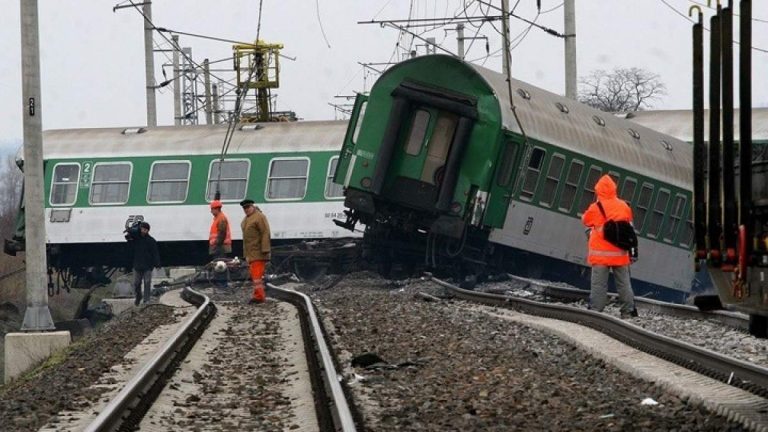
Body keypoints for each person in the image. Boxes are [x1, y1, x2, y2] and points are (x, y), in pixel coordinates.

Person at [581, 174, 638, 318]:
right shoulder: (624, 206)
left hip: (600, 256)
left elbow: (586, 220)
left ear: (598, 191)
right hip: (620, 255)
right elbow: (630, 228)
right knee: (624, 285)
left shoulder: (596, 207)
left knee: (599, 285)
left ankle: (596, 310)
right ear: (614, 189)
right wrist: (632, 251)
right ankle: (628, 311)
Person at [240, 199, 271, 304]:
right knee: (255, 276)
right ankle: (258, 295)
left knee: (257, 276)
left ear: (253, 206)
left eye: (248, 207)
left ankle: (259, 297)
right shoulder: (248, 218)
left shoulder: (259, 217)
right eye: (244, 208)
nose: (246, 210)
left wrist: (265, 250)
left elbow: (265, 232)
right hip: (251, 253)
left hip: (258, 252)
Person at [127, 221, 161, 306]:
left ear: (148, 230)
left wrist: (157, 264)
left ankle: (146, 299)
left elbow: (155, 253)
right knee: (136, 283)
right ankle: (138, 296)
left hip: (148, 266)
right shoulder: (136, 239)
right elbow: (129, 237)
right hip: (137, 265)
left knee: (147, 282)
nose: (143, 231)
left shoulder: (151, 241)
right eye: (142, 229)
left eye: (145, 229)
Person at [209, 200, 232, 288]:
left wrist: (217, 245)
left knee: (220, 266)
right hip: (219, 246)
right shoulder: (218, 218)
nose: (211, 211)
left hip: (220, 247)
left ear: (217, 209)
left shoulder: (221, 218)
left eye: (212, 209)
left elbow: (222, 233)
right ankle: (220, 284)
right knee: (218, 265)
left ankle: (222, 285)